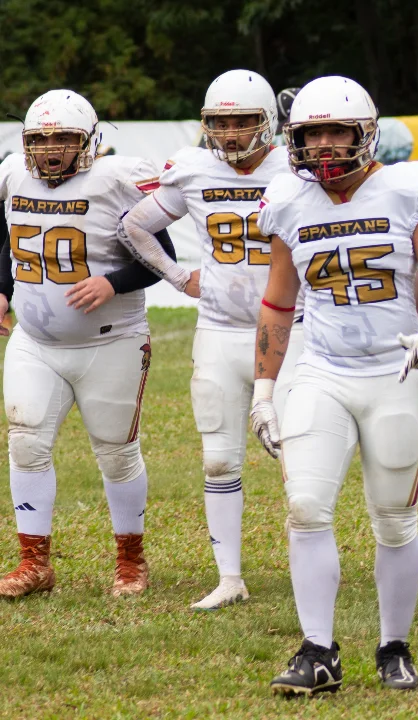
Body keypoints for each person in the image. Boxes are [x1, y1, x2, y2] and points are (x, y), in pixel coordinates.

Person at [250, 75, 418, 695]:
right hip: (320, 372)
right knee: (305, 507)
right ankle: (318, 651)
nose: (322, 145)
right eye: (311, 133)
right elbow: (276, 304)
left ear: (363, 133)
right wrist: (264, 393)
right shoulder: (290, 201)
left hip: (394, 372)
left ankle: (393, 645)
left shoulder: (403, 191)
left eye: (334, 131)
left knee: (394, 519)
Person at [119, 69, 304, 611]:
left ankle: (307, 569)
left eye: (243, 120)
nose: (230, 132)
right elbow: (133, 225)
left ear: (268, 121)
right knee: (219, 461)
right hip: (220, 331)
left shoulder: (298, 169)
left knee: (300, 458)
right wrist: (180, 278)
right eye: (220, 122)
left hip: (294, 333)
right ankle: (229, 577)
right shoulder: (194, 168)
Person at [0, 89, 174, 598]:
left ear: (89, 139)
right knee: (25, 443)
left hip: (111, 341)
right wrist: (3, 290)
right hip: (34, 342)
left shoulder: (116, 181)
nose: (51, 148)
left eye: (64, 137)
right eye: (41, 138)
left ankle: (130, 562)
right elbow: (4, 239)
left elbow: (162, 258)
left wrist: (112, 282)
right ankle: (34, 563)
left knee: (117, 453)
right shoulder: (13, 173)